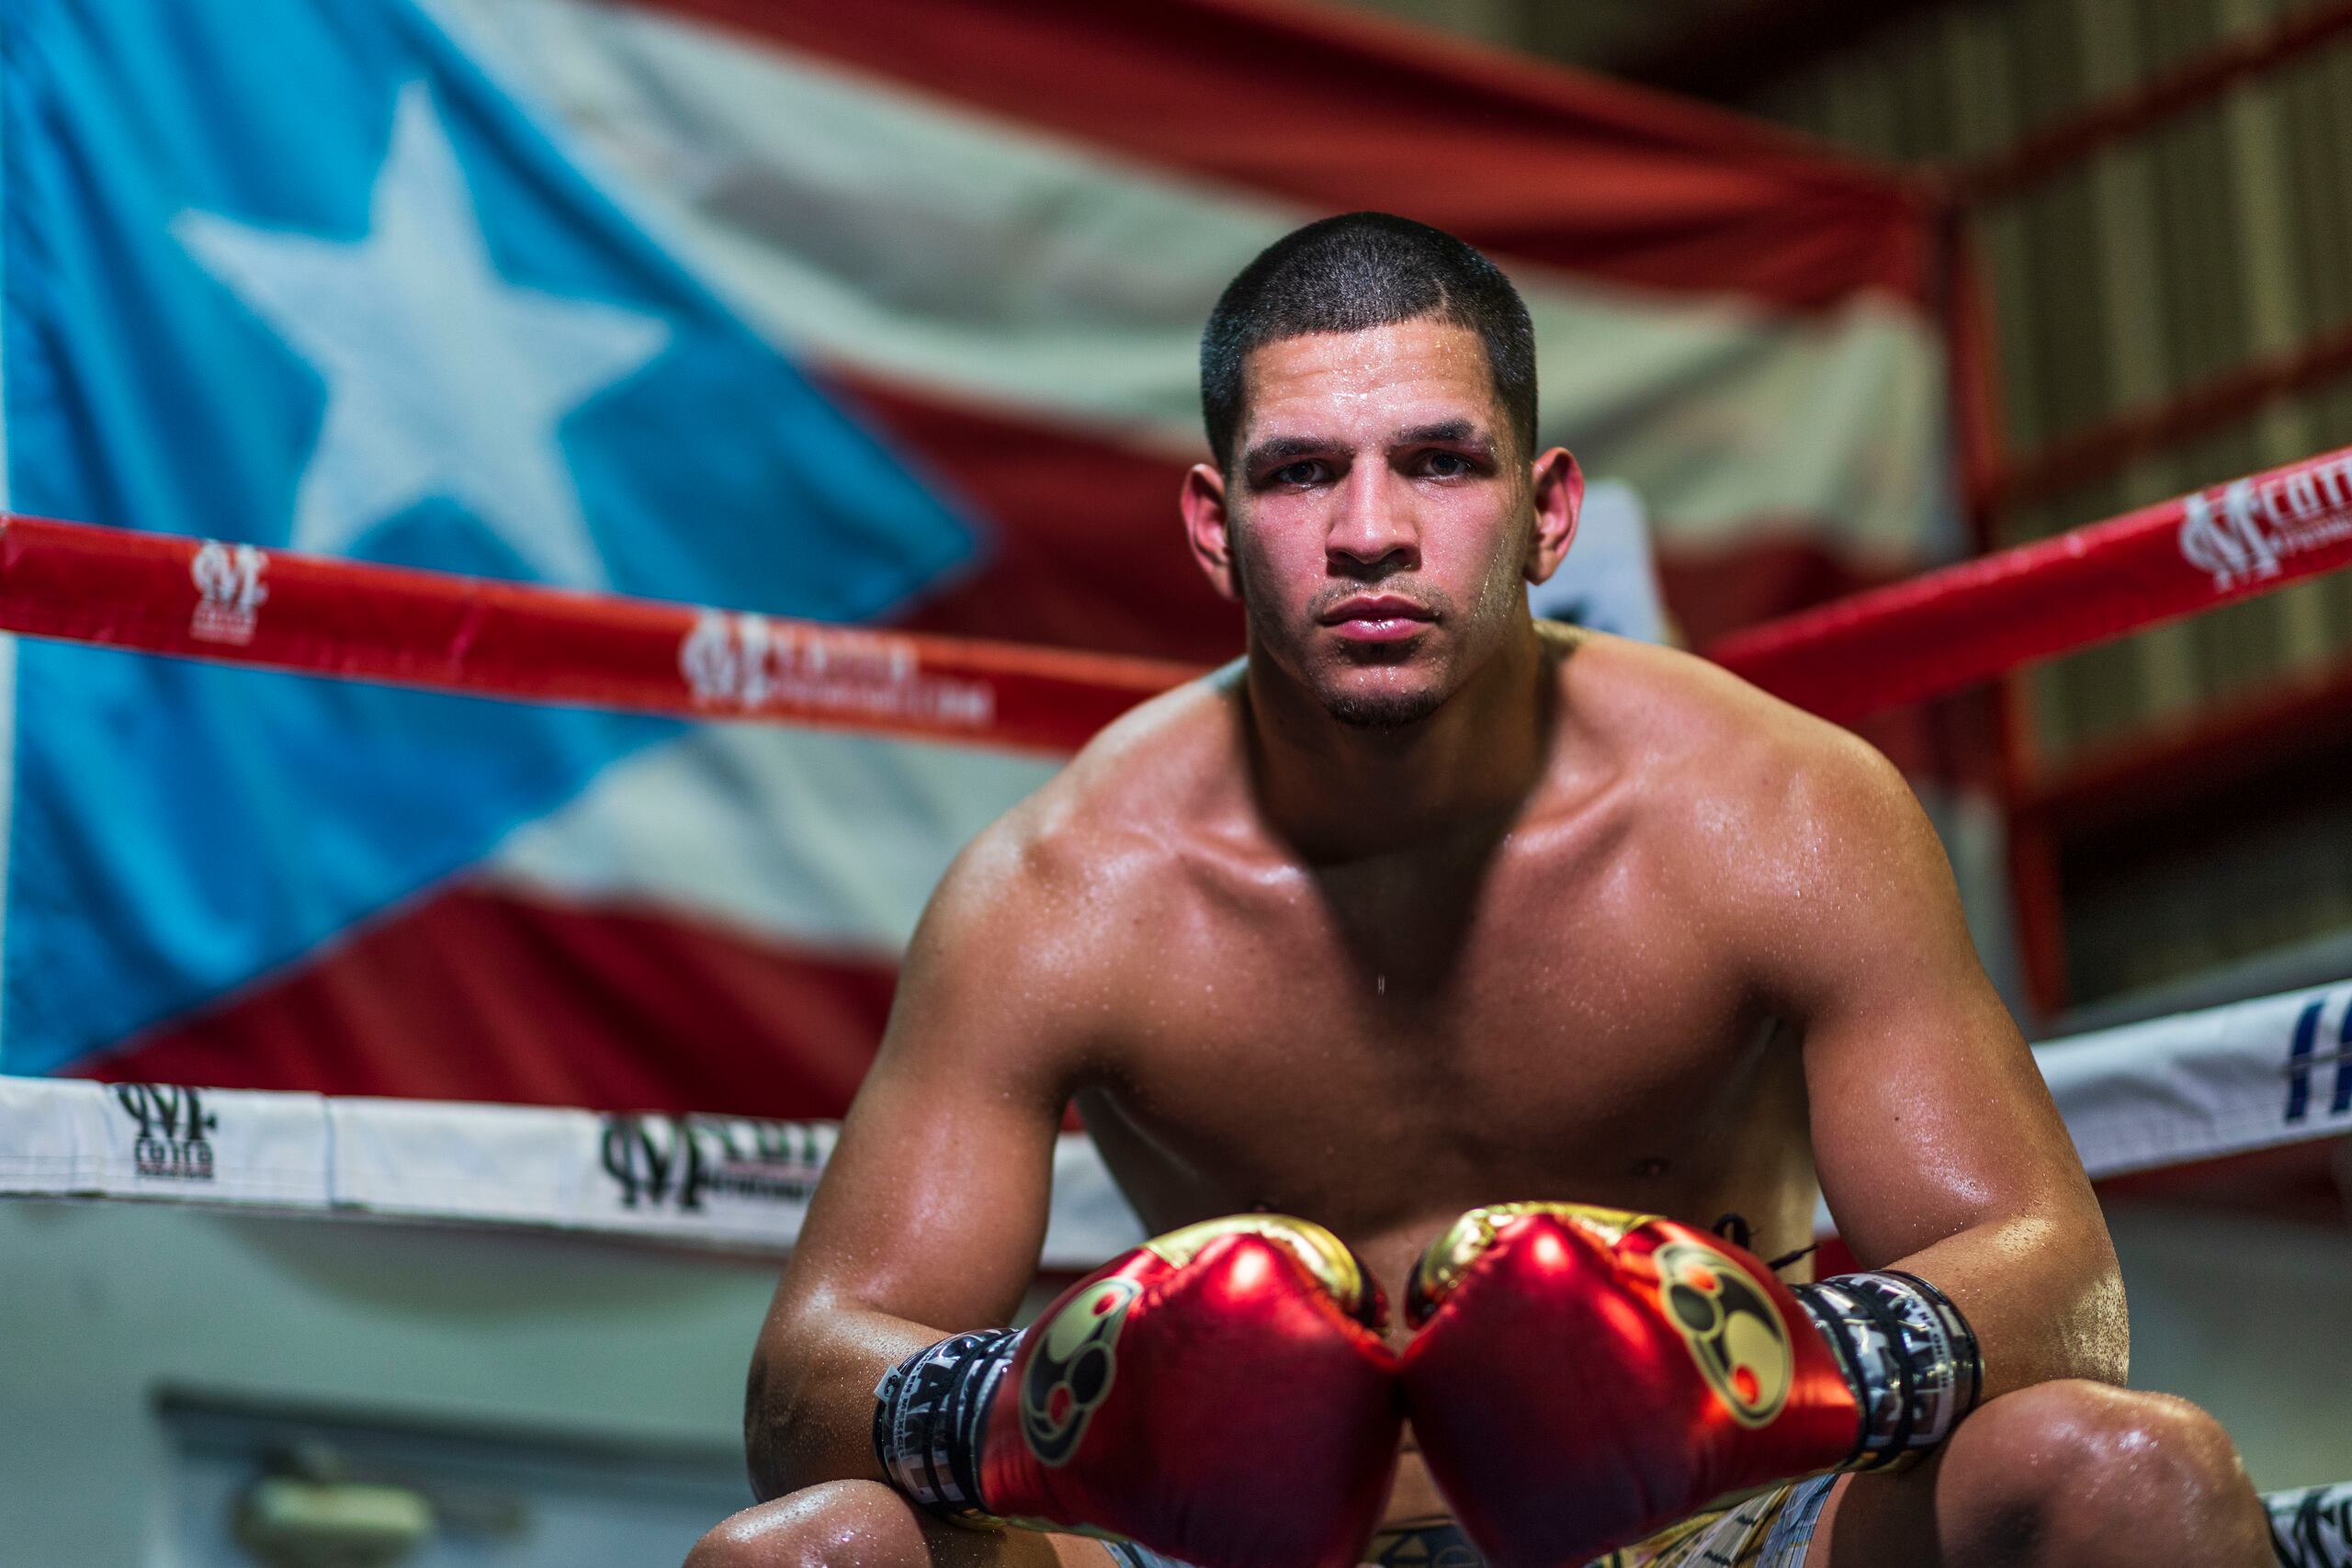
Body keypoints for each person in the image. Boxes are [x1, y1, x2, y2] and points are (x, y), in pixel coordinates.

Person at [688, 213, 2274, 1568]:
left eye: (1439, 463)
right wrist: (1053, 1408)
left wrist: (1773, 1372)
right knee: (804, 1556)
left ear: (1545, 511)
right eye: (1301, 473)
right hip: (1251, 1556)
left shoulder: (1776, 811)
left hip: (1721, 1525)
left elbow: (2055, 1278)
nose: (1370, 533)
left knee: (2129, 1476)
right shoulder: (1063, 890)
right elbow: (803, 1387)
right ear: (1212, 526)